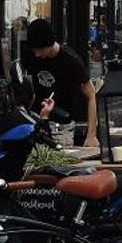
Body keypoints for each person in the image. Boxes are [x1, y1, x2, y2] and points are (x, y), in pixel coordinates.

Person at [24, 17, 98, 149]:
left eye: (40, 50)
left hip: (62, 125)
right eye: (34, 50)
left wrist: (91, 135)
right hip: (37, 118)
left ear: (49, 44)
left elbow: (91, 94)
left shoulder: (71, 60)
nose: (36, 54)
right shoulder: (31, 55)